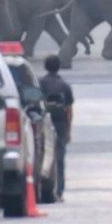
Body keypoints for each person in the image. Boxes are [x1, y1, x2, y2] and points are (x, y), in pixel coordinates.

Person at [40, 54, 74, 202]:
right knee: (60, 159)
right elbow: (69, 110)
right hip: (60, 124)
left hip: (43, 123)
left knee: (43, 156)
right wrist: (69, 130)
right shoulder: (65, 85)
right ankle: (59, 191)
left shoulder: (39, 84)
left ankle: (42, 187)